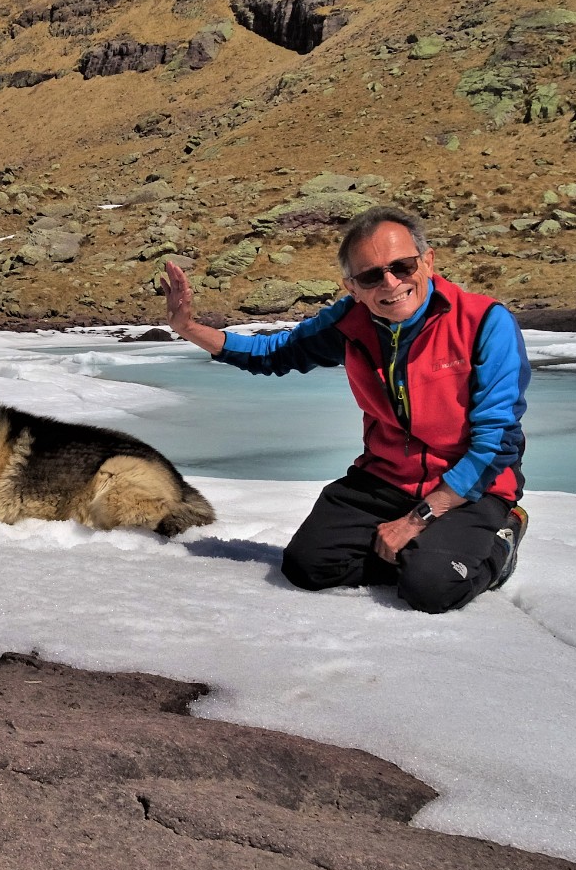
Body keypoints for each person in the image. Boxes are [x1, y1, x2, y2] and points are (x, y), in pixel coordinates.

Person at [164, 205, 529, 613]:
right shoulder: (351, 322)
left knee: (431, 590)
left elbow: (496, 444)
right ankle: (425, 555)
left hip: (471, 487)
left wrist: (415, 521)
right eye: (371, 276)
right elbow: (274, 352)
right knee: (308, 566)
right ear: (352, 286)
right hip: (386, 478)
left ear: (427, 261)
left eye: (402, 266)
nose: (390, 283)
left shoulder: (483, 322)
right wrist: (189, 329)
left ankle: (500, 542)